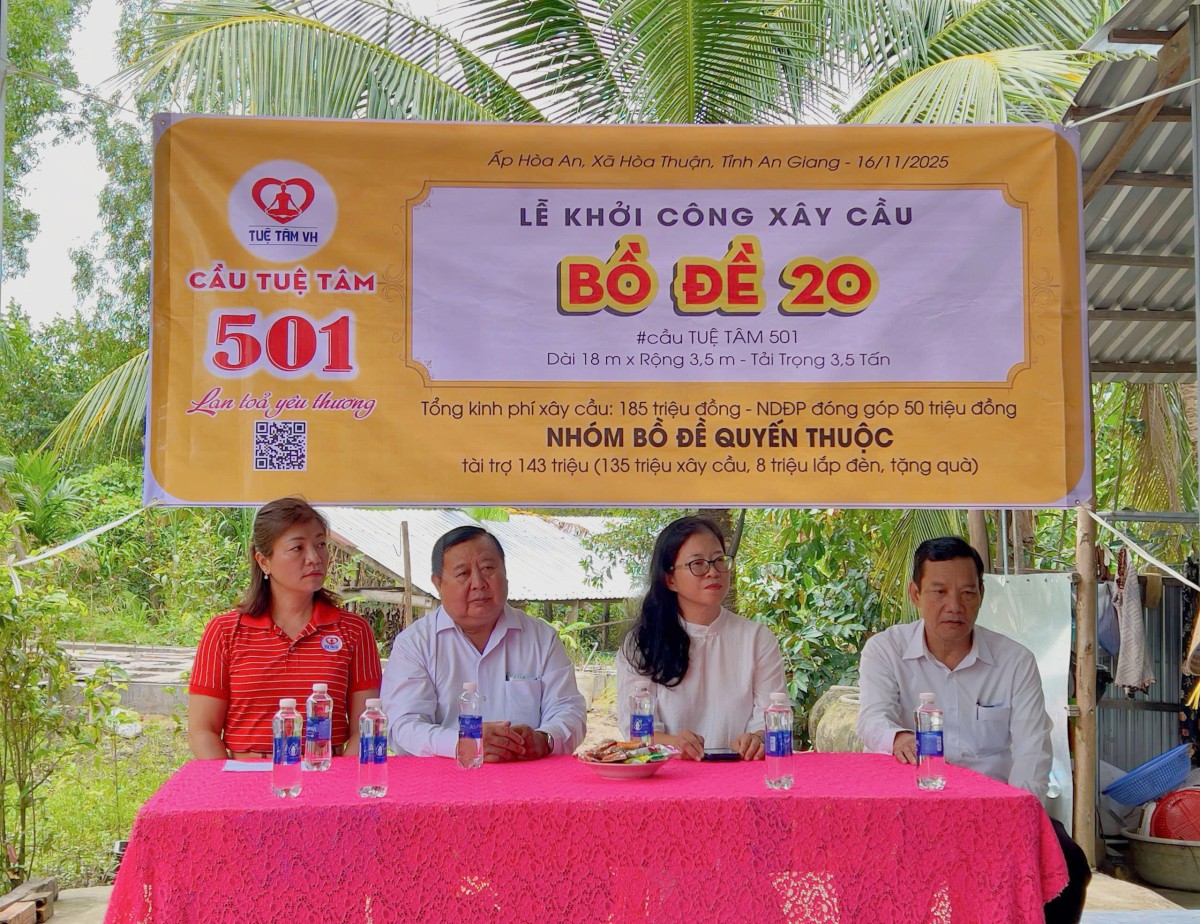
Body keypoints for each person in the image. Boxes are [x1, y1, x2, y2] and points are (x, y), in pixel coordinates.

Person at [856, 535, 1090, 924]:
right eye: (939, 592)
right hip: (908, 812)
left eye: (967, 592)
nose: (954, 606)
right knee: (867, 872)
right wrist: (897, 737)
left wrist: (1017, 817)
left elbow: (1032, 748)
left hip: (997, 810)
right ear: (915, 594)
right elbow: (871, 719)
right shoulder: (885, 650)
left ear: (981, 595)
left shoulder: (1015, 661)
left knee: (1070, 865)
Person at [188, 497, 382, 759]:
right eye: (297, 548)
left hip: (326, 774)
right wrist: (229, 781)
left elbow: (365, 728)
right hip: (246, 776)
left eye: (320, 544)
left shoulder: (353, 631)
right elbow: (203, 731)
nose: (314, 558)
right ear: (263, 561)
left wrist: (339, 781)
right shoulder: (225, 632)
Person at [382, 525, 586, 760]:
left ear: (505, 573)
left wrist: (545, 739)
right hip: (444, 777)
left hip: (526, 774)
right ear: (438, 584)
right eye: (463, 573)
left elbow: (569, 710)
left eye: (488, 568)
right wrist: (462, 744)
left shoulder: (542, 638)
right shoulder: (415, 644)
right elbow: (403, 726)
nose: (478, 583)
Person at [616, 516, 787, 761]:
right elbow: (637, 733)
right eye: (698, 564)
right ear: (670, 579)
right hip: (669, 775)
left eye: (719, 561)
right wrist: (675, 744)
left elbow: (771, 716)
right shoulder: (642, 643)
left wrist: (757, 739)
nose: (713, 572)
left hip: (740, 772)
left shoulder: (756, 638)